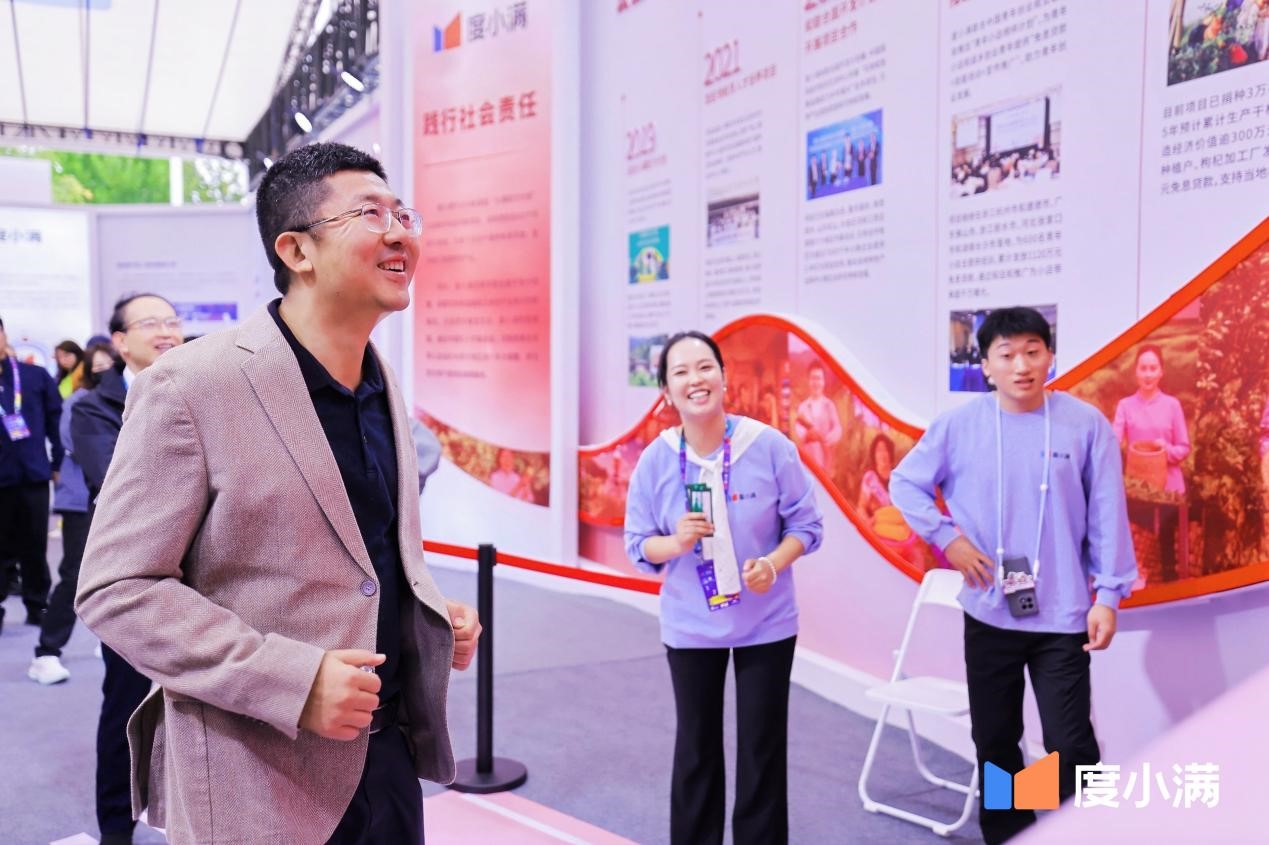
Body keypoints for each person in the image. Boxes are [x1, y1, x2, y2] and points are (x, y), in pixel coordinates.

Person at [75, 142, 480, 845]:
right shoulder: (193, 385)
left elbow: (351, 556)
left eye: (403, 214)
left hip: (386, 758)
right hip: (258, 774)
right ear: (296, 250)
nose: (399, 233)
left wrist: (424, 612)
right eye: (370, 213)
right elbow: (116, 587)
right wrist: (289, 679)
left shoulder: (379, 379)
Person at [890, 306, 1137, 845]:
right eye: (1006, 354)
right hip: (989, 612)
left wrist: (1108, 595)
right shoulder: (959, 425)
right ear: (986, 365)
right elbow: (905, 483)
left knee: (1072, 748)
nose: (1021, 365)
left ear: (1050, 356)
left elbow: (1107, 512)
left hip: (1063, 614)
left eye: (1032, 351)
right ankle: (1009, 833)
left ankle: (1085, 830)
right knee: (996, 743)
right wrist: (949, 539)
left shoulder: (1084, 424)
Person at [624, 330, 823, 845]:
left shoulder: (768, 446)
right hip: (691, 625)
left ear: (724, 377)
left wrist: (773, 564)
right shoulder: (656, 460)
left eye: (705, 367)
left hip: (768, 623)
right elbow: (638, 546)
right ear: (666, 392)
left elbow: (807, 526)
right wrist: (676, 542)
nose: (696, 379)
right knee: (696, 749)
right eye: (681, 372)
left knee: (762, 748)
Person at [71, 294, 184, 845]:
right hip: (133, 581)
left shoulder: (205, 387)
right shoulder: (94, 407)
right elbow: (113, 482)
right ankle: (116, 830)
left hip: (206, 575)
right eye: (150, 323)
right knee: (126, 702)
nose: (166, 331)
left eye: (172, 321)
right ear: (119, 341)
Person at [27, 353, 107, 685]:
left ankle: (111, 641)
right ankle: (47, 652)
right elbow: (77, 446)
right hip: (81, 499)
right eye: (97, 366)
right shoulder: (79, 402)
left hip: (121, 499)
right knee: (75, 573)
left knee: (120, 574)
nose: (104, 371)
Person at [0, 314, 63, 631]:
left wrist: (57, 463)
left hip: (33, 474)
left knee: (35, 544)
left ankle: (37, 604)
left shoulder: (33, 375)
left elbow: (56, 421)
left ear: (4, 336)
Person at [1112, 345, 1191, 582]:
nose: (1148, 374)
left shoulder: (1172, 405)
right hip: (1137, 489)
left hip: (1168, 490)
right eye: (1143, 368)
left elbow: (1184, 447)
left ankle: (1170, 589)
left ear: (1161, 372)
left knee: (1167, 553)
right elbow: (1113, 441)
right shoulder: (1125, 406)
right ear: (1136, 372)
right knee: (1133, 542)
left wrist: (1165, 450)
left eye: (1153, 368)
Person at [793, 362, 843, 480]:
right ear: (808, 381)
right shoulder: (803, 407)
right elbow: (798, 429)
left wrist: (828, 438)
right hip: (808, 465)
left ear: (823, 381)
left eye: (819, 378)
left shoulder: (829, 405)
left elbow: (838, 428)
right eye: (813, 378)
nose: (816, 382)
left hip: (826, 464)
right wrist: (807, 435)